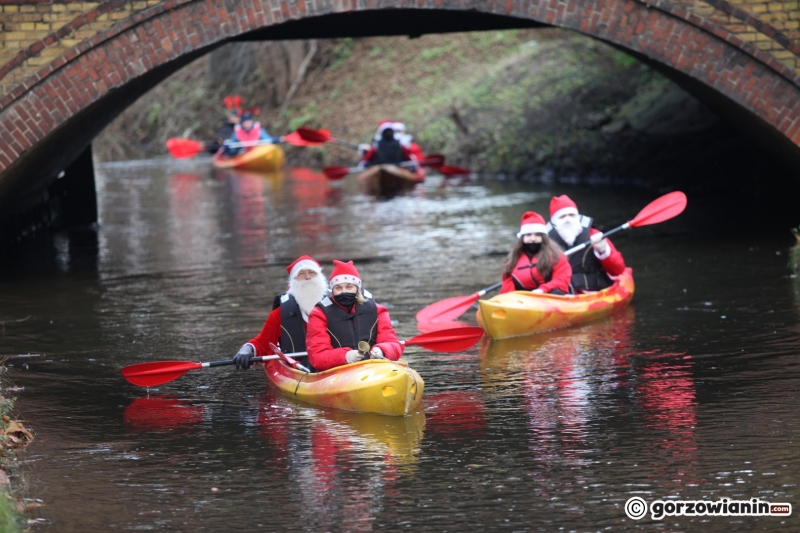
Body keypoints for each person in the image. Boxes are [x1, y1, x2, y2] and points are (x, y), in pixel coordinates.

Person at [306, 260, 404, 372]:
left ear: (357, 288)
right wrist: (345, 356)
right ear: (332, 291)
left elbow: (393, 344)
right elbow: (317, 356)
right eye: (338, 288)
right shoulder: (318, 314)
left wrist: (382, 350)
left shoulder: (378, 310)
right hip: (337, 373)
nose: (344, 292)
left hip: (373, 368)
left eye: (349, 287)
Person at [232, 256, 328, 371]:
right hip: (299, 367)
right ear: (293, 281)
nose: (307, 277)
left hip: (333, 364)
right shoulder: (281, 313)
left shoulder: (337, 304)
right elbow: (263, 344)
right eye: (301, 273)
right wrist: (247, 349)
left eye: (312, 272)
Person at [546, 195, 626, 293]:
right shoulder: (545, 241)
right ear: (554, 222)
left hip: (593, 291)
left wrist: (603, 250)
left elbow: (618, 270)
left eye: (572, 215)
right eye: (562, 216)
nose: (568, 219)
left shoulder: (594, 234)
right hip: (560, 293)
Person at [501, 211, 572, 295]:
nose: (533, 239)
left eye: (537, 235)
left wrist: (542, 290)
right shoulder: (512, 259)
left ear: (543, 238)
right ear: (522, 238)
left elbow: (562, 279)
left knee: (556, 292)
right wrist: (511, 298)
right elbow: (507, 283)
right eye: (528, 235)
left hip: (549, 295)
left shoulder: (557, 256)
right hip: (523, 299)